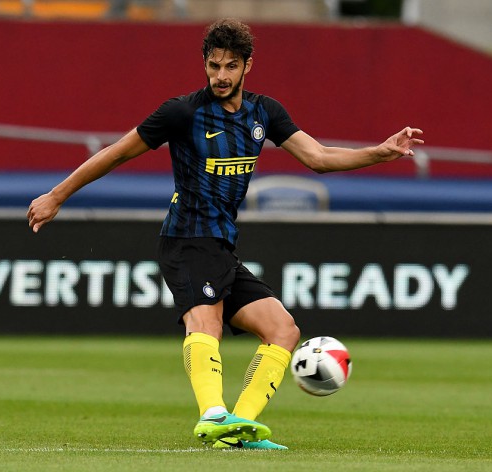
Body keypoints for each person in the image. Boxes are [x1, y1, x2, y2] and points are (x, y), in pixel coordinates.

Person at [27, 18, 423, 450]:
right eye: (214, 65)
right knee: (206, 321)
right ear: (204, 63)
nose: (220, 75)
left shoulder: (264, 113)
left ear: (247, 65)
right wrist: (57, 195)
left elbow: (320, 157)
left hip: (220, 245)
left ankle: (238, 429)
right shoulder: (181, 112)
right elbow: (115, 153)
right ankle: (212, 415)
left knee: (283, 330)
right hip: (186, 239)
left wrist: (380, 153)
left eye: (230, 66)